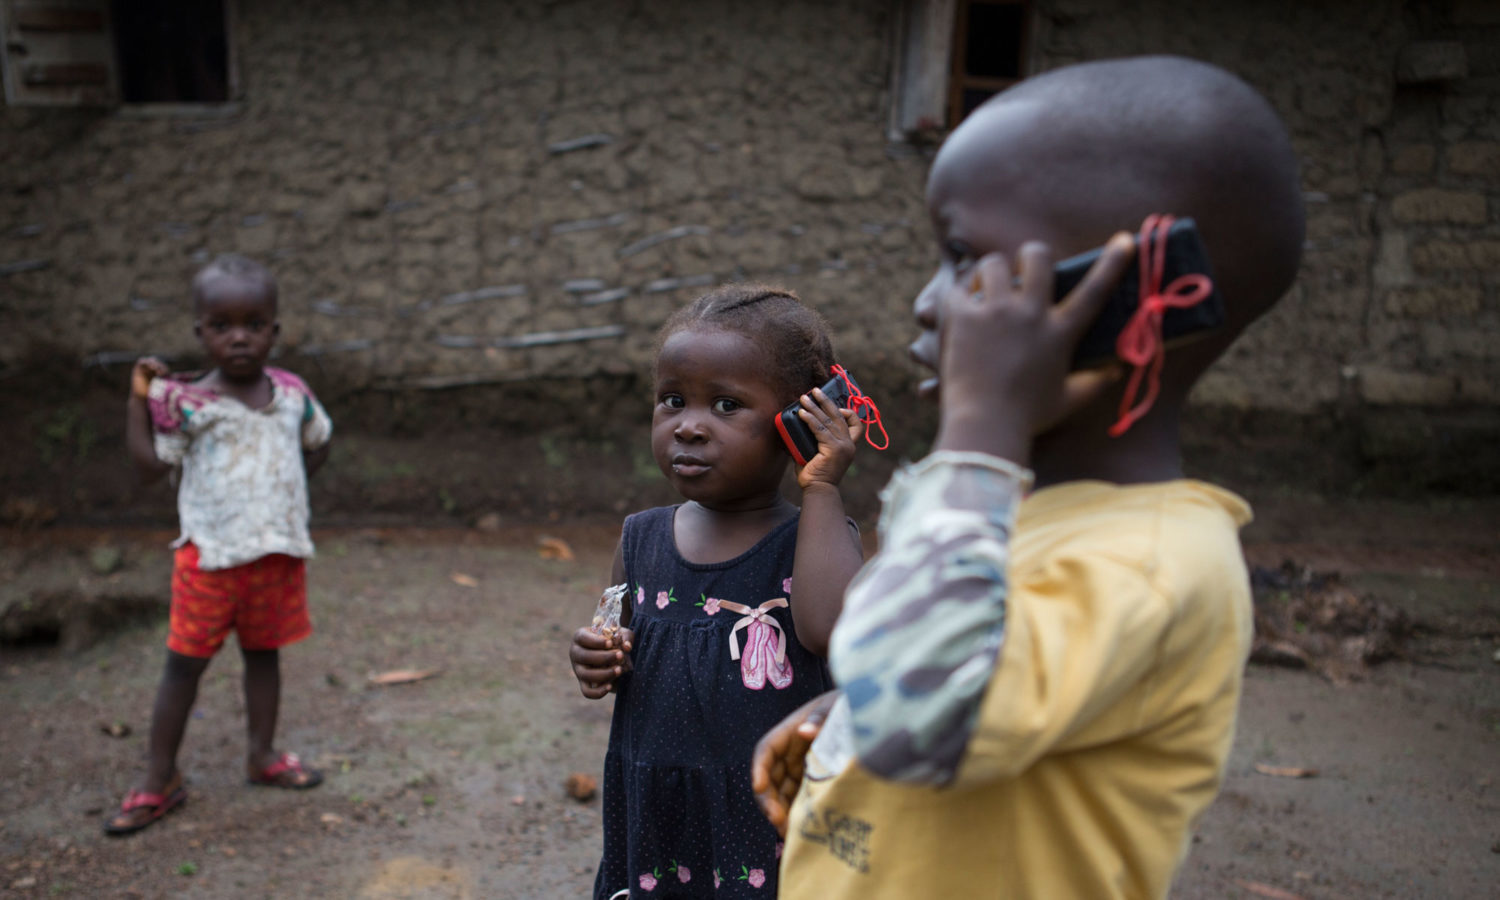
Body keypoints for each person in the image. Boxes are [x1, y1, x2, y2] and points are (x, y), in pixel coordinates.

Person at [754, 55, 1305, 898]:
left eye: (965, 257)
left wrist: (978, 434)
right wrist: (846, 718)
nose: (931, 302)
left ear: (1129, 300)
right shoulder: (1001, 512)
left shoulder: (1148, 564)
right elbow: (968, 678)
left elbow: (923, 712)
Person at [569, 284, 868, 898]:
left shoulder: (817, 538)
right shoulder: (641, 538)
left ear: (799, 423)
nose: (690, 427)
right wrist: (596, 658)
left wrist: (823, 487)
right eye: (672, 401)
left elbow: (828, 631)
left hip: (765, 812)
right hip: (659, 806)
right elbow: (611, 638)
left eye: (726, 405)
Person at [105, 254, 333, 835]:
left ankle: (263, 755)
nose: (239, 337)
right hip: (208, 560)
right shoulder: (184, 403)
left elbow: (318, 441)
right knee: (183, 668)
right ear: (200, 332)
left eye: (254, 324)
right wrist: (138, 401)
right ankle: (160, 778)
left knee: (264, 657)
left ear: (274, 332)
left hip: (276, 557)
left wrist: (283, 490)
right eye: (222, 325)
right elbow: (151, 468)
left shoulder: (291, 394)